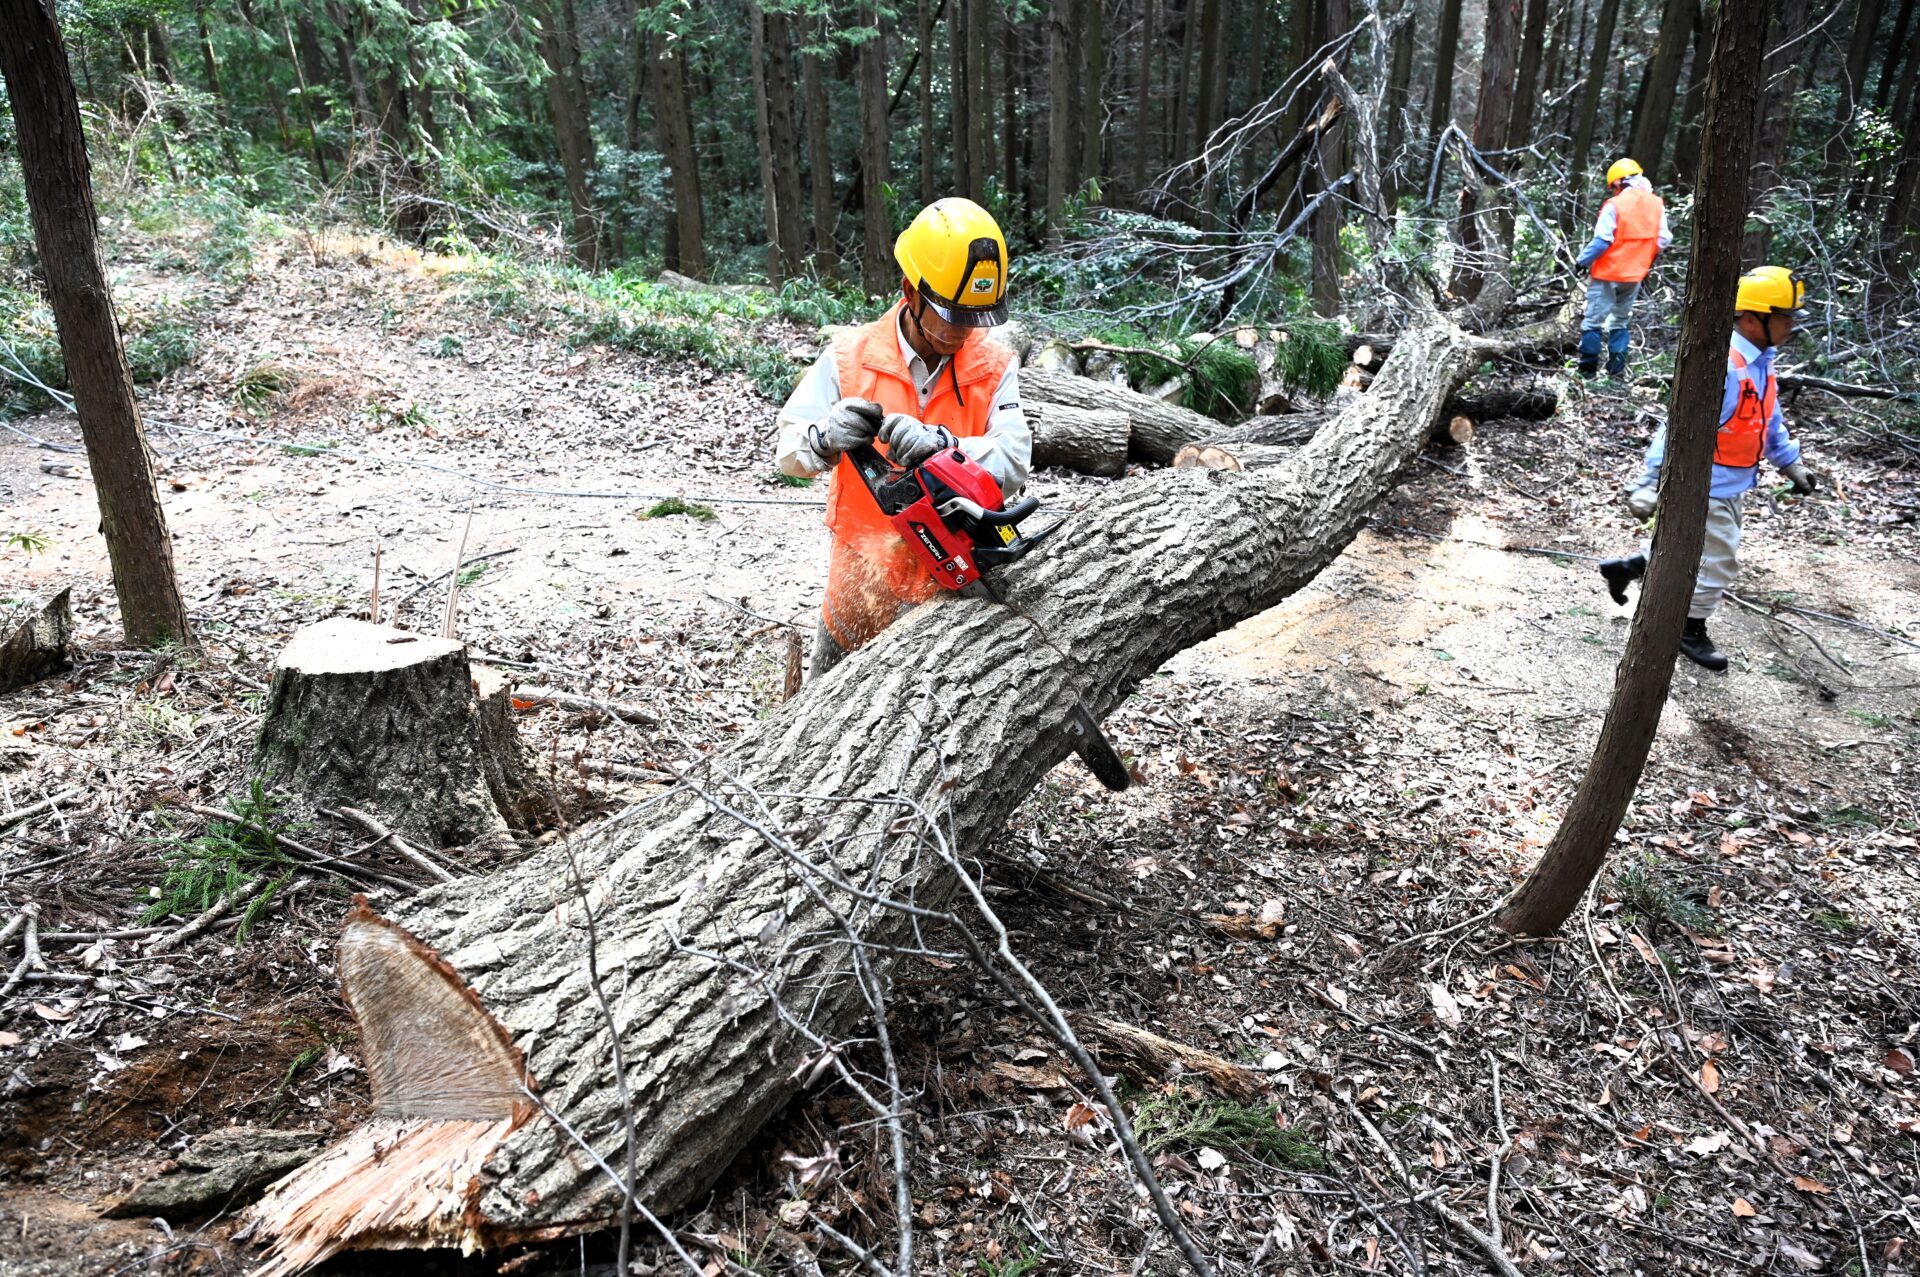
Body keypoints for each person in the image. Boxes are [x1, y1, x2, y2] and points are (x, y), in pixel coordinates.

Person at [776, 197, 1032, 679]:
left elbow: (1015, 460)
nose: (963, 330)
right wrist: (824, 439)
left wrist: (947, 449)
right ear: (910, 291)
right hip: (858, 584)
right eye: (952, 313)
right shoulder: (849, 356)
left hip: (950, 599)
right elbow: (788, 451)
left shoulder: (994, 366)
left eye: (975, 316)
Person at [1596, 266, 1820, 671]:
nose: (1791, 326)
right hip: (1704, 486)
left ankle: (1627, 568)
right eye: (1785, 318)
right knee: (1719, 561)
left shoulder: (1761, 362)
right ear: (1753, 319)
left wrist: (1790, 463)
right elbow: (1676, 426)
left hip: (1731, 484)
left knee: (1687, 549)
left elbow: (1767, 420)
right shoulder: (1724, 366)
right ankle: (1688, 627)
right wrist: (1649, 481)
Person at [1574, 158, 1673, 380]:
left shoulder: (1614, 205)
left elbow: (1601, 241)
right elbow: (1664, 238)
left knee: (1593, 322)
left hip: (1607, 273)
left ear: (1619, 182)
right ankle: (1616, 374)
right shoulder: (1656, 204)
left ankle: (1586, 374)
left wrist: (1581, 262)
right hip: (1635, 274)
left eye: (1614, 187)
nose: (1614, 191)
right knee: (1619, 321)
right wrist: (1643, 255)